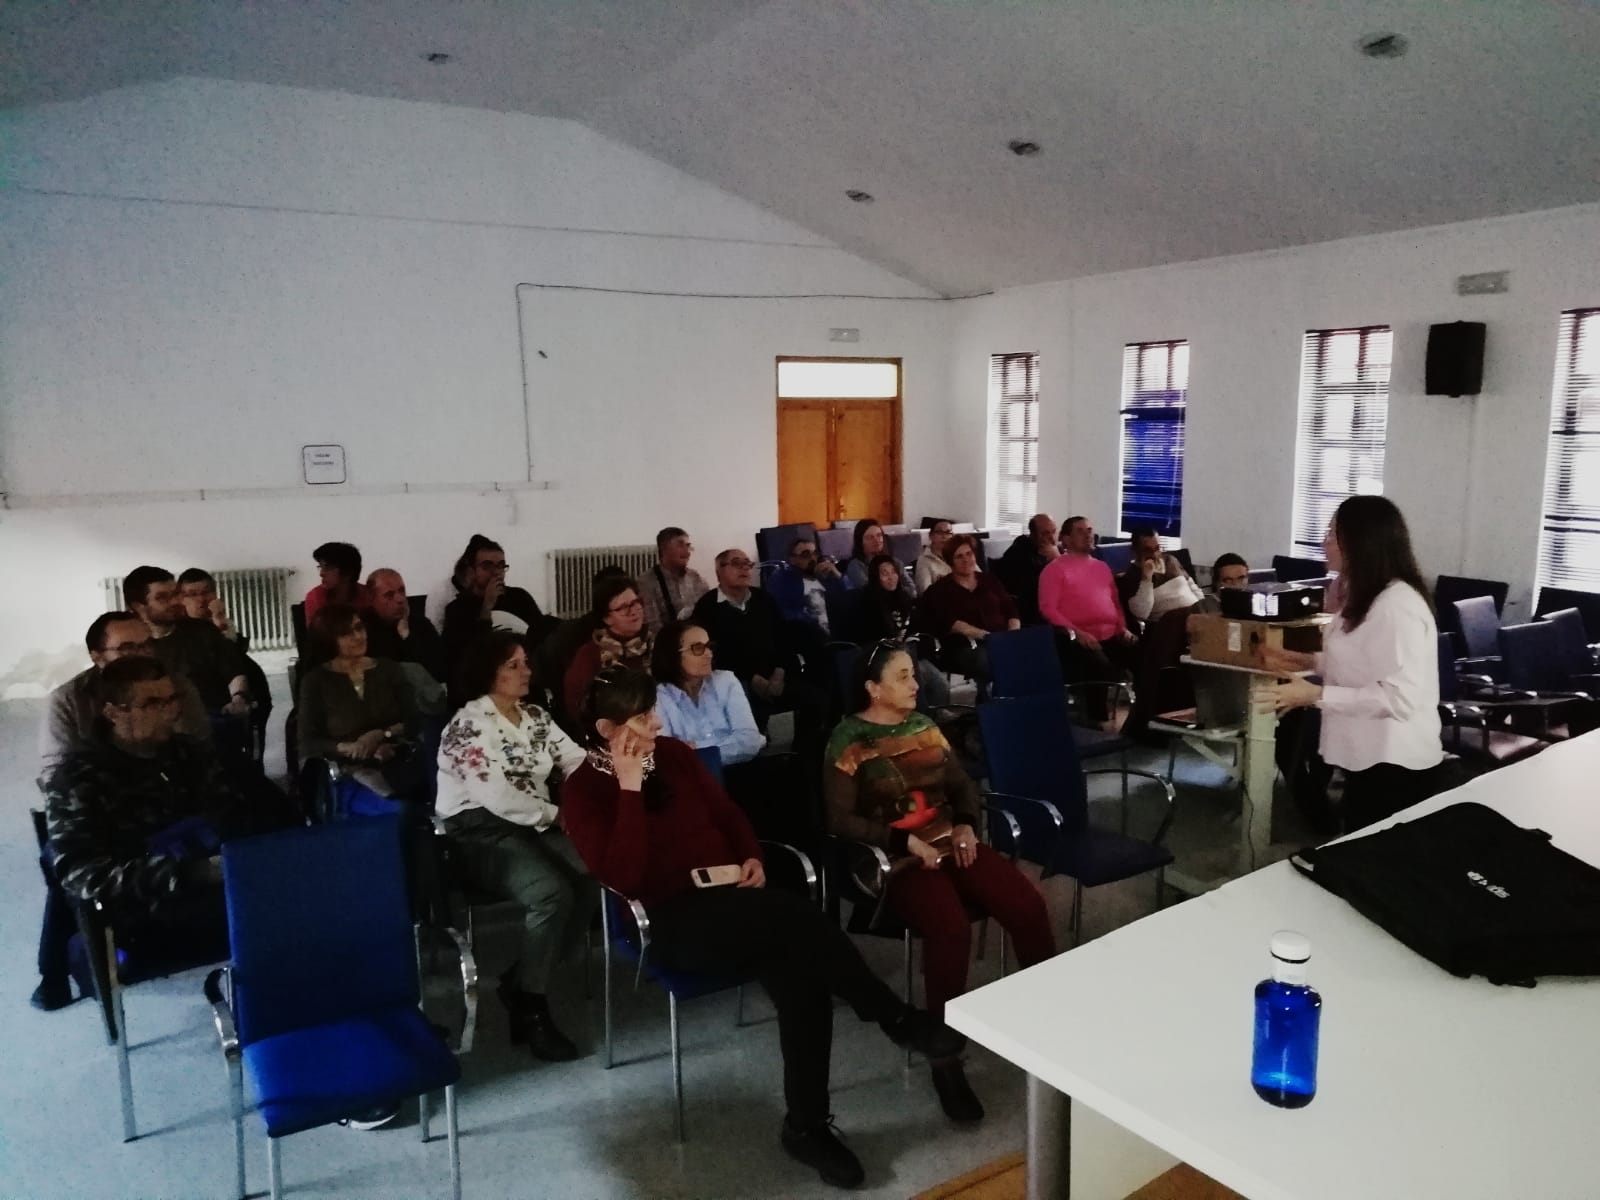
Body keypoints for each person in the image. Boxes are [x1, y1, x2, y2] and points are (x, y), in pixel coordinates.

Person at [561, 667, 965, 1189]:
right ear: (608, 729)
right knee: (796, 920)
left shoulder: (678, 757)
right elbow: (623, 874)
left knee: (801, 974)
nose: (657, 723)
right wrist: (631, 787)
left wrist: (750, 855)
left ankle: (808, 1126)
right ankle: (893, 1018)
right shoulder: (584, 791)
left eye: (654, 710)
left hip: (736, 901)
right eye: (643, 717)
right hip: (670, 921)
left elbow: (728, 816)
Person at [824, 644, 1056, 1123]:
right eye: (904, 676)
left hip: (952, 841)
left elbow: (961, 785)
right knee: (950, 929)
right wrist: (904, 842)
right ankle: (946, 1058)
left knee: (1026, 906)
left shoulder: (924, 727)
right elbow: (840, 819)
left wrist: (968, 822)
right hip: (895, 859)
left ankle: (1050, 1014)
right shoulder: (848, 739)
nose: (915, 684)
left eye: (914, 675)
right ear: (873, 688)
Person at [29, 614, 211, 1012]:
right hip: (146, 899)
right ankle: (54, 972)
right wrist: (189, 870)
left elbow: (236, 797)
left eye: (146, 644)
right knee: (60, 861)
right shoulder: (69, 705)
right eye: (128, 647)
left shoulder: (187, 746)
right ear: (98, 657)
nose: (170, 710)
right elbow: (81, 867)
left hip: (207, 883)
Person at [436, 632, 594, 1061]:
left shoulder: (535, 716)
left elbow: (575, 758)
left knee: (587, 876)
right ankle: (532, 1006)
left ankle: (522, 981)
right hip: (478, 832)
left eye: (526, 662)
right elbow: (498, 797)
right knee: (549, 892)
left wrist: (605, 773)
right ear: (488, 673)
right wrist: (559, 816)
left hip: (533, 821)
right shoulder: (468, 725)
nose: (526, 671)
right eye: (514, 665)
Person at [43, 659, 241, 982]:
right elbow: (81, 875)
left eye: (172, 699)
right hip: (143, 909)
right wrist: (192, 872)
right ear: (113, 713)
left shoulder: (189, 754)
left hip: (214, 887)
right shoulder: (78, 780)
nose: (171, 711)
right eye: (152, 703)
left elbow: (230, 815)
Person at [1263, 496, 1444, 832]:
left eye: (1332, 535)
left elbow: (1398, 698)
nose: (1324, 543)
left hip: (1395, 764)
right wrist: (1308, 661)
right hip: (1369, 759)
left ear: (1359, 543)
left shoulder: (1396, 606)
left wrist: (1314, 696)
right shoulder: (1366, 596)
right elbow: (1363, 662)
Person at [297, 605, 420, 800]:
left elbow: (414, 719)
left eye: (359, 628)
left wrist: (382, 735)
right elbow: (307, 740)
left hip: (398, 757)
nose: (358, 636)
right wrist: (346, 747)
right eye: (346, 633)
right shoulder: (316, 681)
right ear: (329, 640)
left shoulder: (388, 669)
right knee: (391, 804)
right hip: (350, 767)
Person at [123, 566, 254, 721]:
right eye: (163, 597)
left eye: (175, 594)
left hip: (211, 723)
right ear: (138, 606)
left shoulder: (202, 630)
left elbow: (233, 671)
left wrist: (238, 698)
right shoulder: (128, 645)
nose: (174, 602)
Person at [1036, 518, 1139, 709]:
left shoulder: (1102, 567)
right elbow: (1048, 609)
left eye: (1090, 530)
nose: (1088, 535)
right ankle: (1096, 719)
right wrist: (1078, 632)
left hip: (1110, 634)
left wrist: (1122, 628)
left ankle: (1144, 718)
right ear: (1066, 539)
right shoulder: (1055, 570)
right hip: (1075, 637)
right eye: (1081, 531)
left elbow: (1115, 603)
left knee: (1147, 654)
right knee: (1097, 662)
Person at [650, 620, 765, 765]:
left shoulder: (726, 681)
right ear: (672, 656)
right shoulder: (658, 697)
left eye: (709, 647)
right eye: (698, 648)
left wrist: (697, 749)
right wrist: (723, 746)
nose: (709, 654)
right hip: (694, 782)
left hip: (743, 770)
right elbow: (668, 757)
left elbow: (750, 742)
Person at [915, 534, 1020, 693]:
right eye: (959, 556)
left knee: (1029, 652)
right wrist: (989, 637)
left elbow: (1011, 609)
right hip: (964, 645)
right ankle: (994, 701)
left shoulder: (989, 580)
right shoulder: (940, 590)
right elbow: (952, 623)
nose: (966, 560)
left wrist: (1012, 636)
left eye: (969, 554)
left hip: (1002, 639)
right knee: (989, 659)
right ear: (951, 562)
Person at [442, 535, 555, 672]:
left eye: (501, 566)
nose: (496, 572)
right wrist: (486, 608)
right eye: (487, 566)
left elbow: (541, 636)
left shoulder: (519, 597)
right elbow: (466, 659)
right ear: (472, 571)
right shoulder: (458, 609)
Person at [862, 555, 951, 705]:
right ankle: (921, 720)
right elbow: (873, 638)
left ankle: (936, 718)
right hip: (888, 659)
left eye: (893, 572)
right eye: (885, 573)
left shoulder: (904, 599)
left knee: (941, 686)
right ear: (876, 577)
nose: (891, 577)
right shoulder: (869, 604)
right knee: (918, 684)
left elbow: (917, 626)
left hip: (912, 654)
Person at [562, 576, 653, 723]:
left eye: (636, 603)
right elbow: (576, 706)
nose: (634, 611)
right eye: (623, 608)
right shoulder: (590, 655)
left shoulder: (655, 644)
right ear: (606, 618)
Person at [363, 568, 448, 687]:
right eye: (389, 595)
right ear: (371, 599)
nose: (400, 599)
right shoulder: (361, 630)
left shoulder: (420, 624)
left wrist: (407, 636)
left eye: (402, 591)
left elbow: (439, 671)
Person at [1118, 529, 1206, 629]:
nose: (1155, 555)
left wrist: (1203, 609)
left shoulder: (1170, 560)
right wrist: (1146, 579)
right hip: (1171, 627)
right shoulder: (1131, 577)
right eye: (1148, 550)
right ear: (1135, 550)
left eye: (1157, 548)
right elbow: (1141, 614)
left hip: (1196, 616)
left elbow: (1192, 586)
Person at [767, 537, 852, 635]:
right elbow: (781, 613)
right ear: (792, 559)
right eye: (805, 555)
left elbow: (851, 597)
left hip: (840, 630)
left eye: (815, 553)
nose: (813, 558)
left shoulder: (825, 576)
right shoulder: (782, 580)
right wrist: (812, 622)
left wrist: (839, 576)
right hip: (809, 636)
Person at [640, 526, 711, 635]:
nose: (687, 552)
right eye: (680, 545)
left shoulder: (696, 577)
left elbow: (709, 609)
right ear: (664, 548)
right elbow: (652, 626)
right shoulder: (647, 582)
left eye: (688, 546)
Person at [993, 513, 1060, 625]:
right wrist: (1056, 561)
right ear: (1033, 535)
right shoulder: (1018, 552)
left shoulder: (1054, 549)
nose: (1052, 538)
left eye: (1054, 531)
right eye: (1045, 533)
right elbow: (1035, 588)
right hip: (1030, 611)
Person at [302, 541, 373, 624]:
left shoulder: (367, 596)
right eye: (320, 567)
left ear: (347, 572)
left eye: (327, 567)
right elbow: (316, 635)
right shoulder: (315, 597)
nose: (321, 573)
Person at [844, 519, 909, 593]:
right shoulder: (856, 566)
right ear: (860, 542)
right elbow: (871, 592)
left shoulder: (895, 562)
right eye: (870, 537)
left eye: (879, 535)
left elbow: (912, 590)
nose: (877, 540)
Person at [177, 568, 240, 641]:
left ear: (215, 594)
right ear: (181, 599)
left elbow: (231, 650)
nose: (201, 598)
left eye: (205, 592)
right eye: (193, 594)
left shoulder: (225, 623)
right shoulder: (174, 629)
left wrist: (220, 622)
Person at [913, 519, 956, 593]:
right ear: (930, 536)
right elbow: (925, 592)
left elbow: (978, 578)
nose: (944, 536)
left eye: (948, 532)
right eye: (939, 532)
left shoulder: (959, 555)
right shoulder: (924, 560)